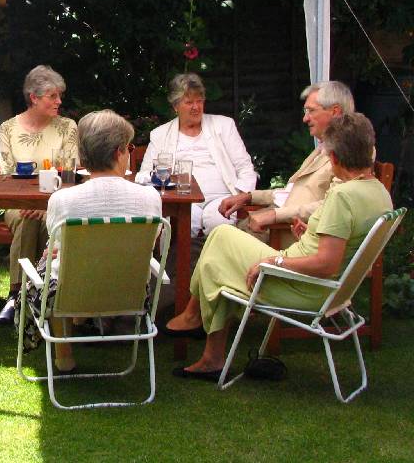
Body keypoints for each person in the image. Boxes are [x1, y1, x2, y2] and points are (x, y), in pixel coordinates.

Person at [164, 113, 392, 380]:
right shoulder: (378, 192)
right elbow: (343, 242)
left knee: (221, 239)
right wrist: (311, 233)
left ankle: (196, 322)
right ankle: (207, 350)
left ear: (334, 159)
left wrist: (273, 262)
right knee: (220, 257)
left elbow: (326, 264)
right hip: (329, 287)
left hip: (303, 286)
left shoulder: (343, 196)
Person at [15, 110, 163, 371]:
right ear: (119, 152)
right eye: (129, 148)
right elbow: (151, 242)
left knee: (52, 262)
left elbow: (56, 244)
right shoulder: (150, 197)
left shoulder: (62, 199)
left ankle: (64, 355)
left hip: (71, 293)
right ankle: (81, 321)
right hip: (128, 292)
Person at [219, 80, 355, 248]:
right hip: (271, 225)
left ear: (335, 112)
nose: (305, 118)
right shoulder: (324, 147)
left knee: (219, 243)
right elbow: (290, 192)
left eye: (311, 111)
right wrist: (250, 196)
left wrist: (274, 215)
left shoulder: (352, 151)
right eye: (306, 111)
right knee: (218, 237)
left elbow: (333, 206)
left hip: (287, 234)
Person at [0, 65, 79, 325]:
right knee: (27, 218)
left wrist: (46, 206)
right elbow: (6, 176)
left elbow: (69, 176)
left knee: (40, 220)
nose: (59, 101)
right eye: (52, 96)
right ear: (34, 97)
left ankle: (21, 295)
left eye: (59, 96)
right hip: (17, 203)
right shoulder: (8, 128)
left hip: (56, 203)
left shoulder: (67, 127)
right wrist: (29, 204)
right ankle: (23, 295)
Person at [136, 73, 256, 237]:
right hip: (183, 201)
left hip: (222, 198)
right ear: (175, 106)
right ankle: (184, 255)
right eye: (189, 102)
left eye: (199, 101)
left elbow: (245, 167)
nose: (196, 107)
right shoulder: (160, 134)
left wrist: (241, 196)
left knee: (219, 223)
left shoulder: (224, 125)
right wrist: (161, 179)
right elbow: (144, 175)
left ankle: (216, 255)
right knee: (183, 224)